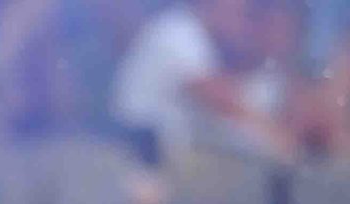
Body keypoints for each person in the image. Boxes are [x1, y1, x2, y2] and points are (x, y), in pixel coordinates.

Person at [109, 0, 297, 165]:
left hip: (152, 157)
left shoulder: (202, 40)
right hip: (131, 154)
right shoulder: (179, 32)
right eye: (238, 9)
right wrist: (282, 144)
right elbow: (221, 100)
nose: (242, 18)